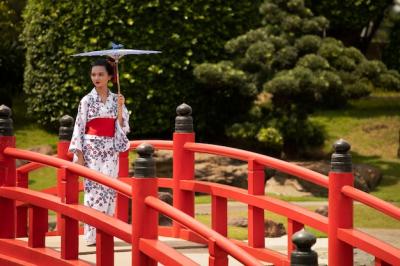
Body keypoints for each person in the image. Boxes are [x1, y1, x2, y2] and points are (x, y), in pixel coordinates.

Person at [69, 58, 130, 246]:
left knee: (109, 189)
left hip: (110, 148)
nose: (96, 77)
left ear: (110, 76)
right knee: (94, 190)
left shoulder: (116, 99)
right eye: (94, 74)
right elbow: (79, 126)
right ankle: (91, 235)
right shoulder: (86, 100)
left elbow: (121, 127)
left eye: (101, 74)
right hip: (92, 149)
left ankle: (106, 232)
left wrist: (120, 108)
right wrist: (79, 155)